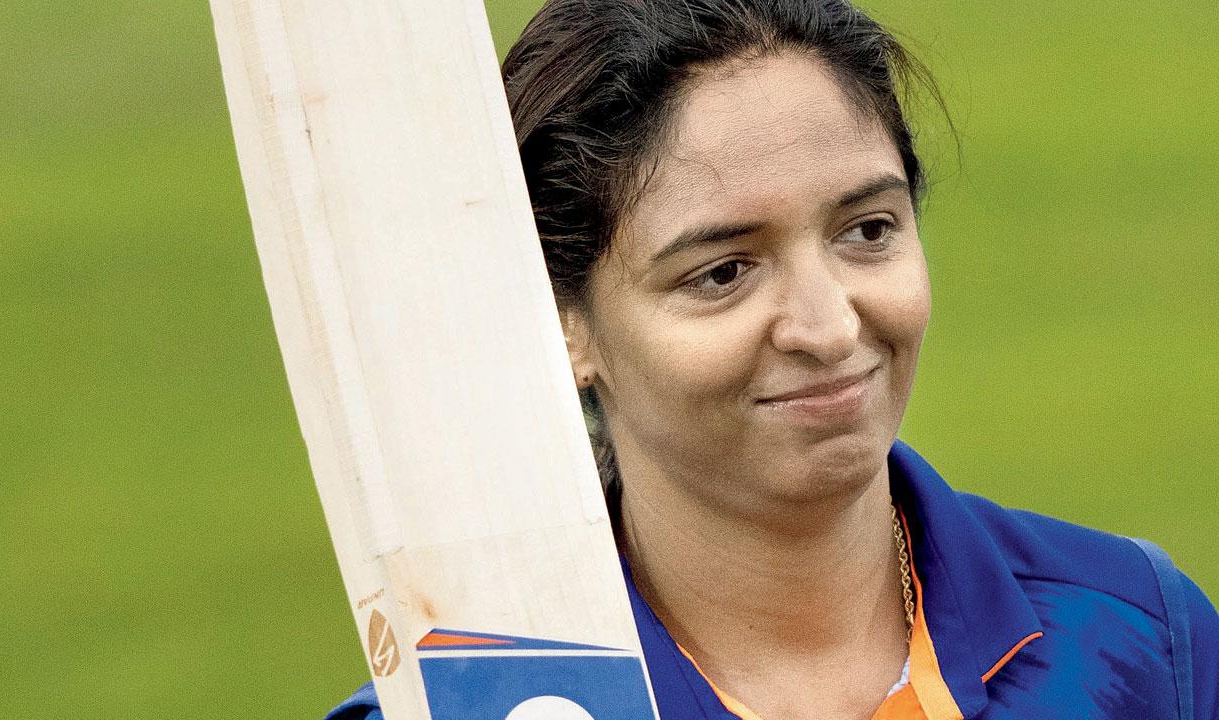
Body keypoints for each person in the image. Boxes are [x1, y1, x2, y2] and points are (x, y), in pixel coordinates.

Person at [327, 1, 1218, 718]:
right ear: (562, 325)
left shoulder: (1140, 638)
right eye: (723, 272)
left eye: (868, 231)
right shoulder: (451, 712)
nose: (829, 328)